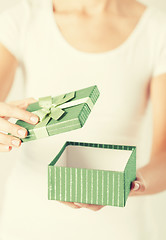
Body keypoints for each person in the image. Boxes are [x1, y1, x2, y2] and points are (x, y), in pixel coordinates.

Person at [0, 0, 166, 239]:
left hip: (121, 228)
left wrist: (128, 183)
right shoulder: (22, 19)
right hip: (28, 224)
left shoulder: (157, 29)